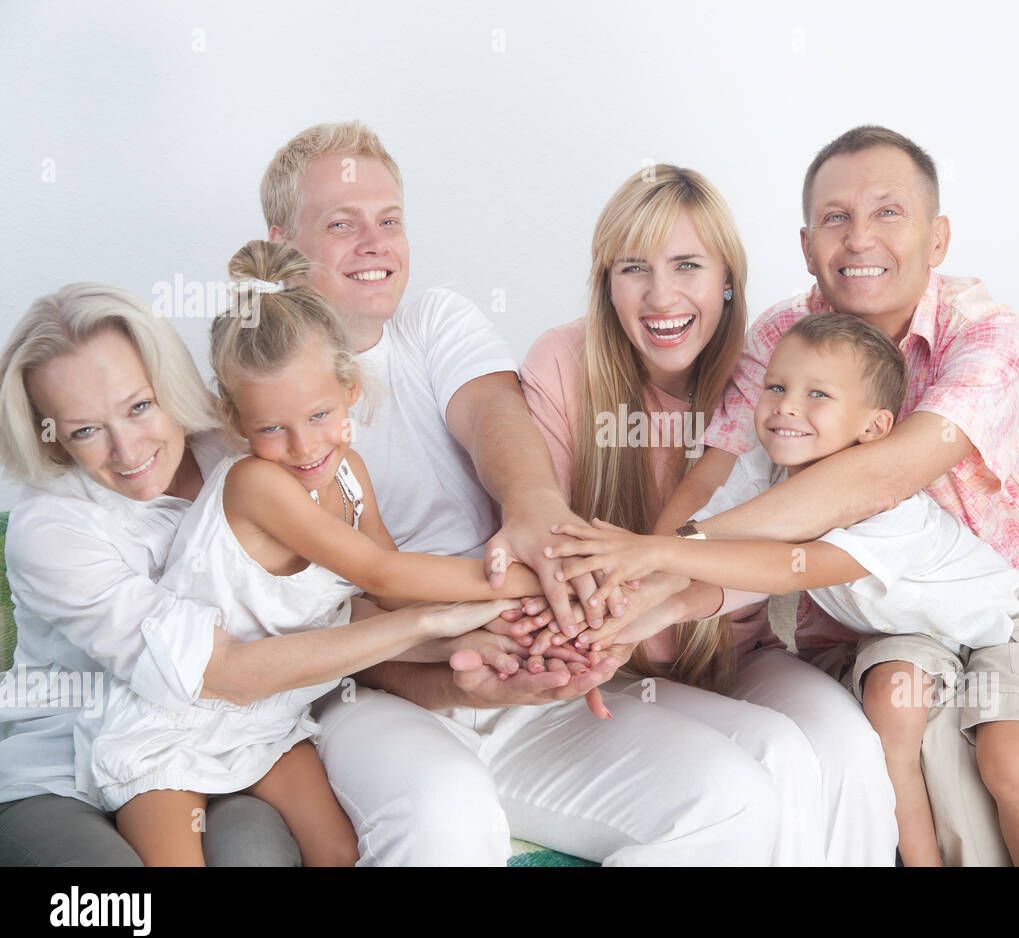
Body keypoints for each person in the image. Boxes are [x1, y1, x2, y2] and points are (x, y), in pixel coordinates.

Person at [261, 121, 784, 865]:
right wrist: (445, 655)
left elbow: (493, 417)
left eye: (389, 221)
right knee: (451, 815)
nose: (374, 244)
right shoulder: (256, 407)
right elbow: (313, 634)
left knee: (733, 802)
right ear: (282, 242)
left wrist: (533, 510)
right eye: (341, 225)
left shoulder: (434, 321)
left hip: (514, 659)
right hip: (376, 697)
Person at [656, 125, 1019, 866]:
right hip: (882, 610)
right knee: (899, 728)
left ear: (937, 238)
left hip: (999, 601)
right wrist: (652, 568)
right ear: (808, 244)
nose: (859, 238)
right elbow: (718, 471)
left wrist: (664, 553)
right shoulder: (784, 332)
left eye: (887, 213)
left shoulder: (989, 336)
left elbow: (878, 479)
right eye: (836, 218)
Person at [77, 241, 546, 866]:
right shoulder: (257, 484)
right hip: (175, 722)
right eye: (271, 428)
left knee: (338, 852)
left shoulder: (348, 475)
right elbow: (377, 570)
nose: (302, 446)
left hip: (269, 718)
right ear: (235, 421)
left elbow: (394, 593)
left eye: (319, 414)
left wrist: (495, 633)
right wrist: (521, 579)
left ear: (351, 388)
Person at [555, 312, 1019, 866]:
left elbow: (790, 569)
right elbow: (723, 571)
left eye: (817, 395)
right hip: (911, 626)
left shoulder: (888, 510)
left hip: (1000, 617)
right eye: (776, 387)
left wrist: (657, 548)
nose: (786, 405)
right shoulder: (764, 468)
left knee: (1009, 756)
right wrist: (639, 621)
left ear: (875, 428)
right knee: (889, 716)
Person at [521, 167, 898, 865]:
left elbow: (792, 534)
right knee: (779, 757)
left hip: (733, 647)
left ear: (728, 277)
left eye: (687, 265)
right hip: (614, 661)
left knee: (846, 745)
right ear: (607, 282)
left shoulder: (771, 372)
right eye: (634, 268)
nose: (661, 296)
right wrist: (598, 632)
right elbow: (539, 533)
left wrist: (679, 590)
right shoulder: (562, 363)